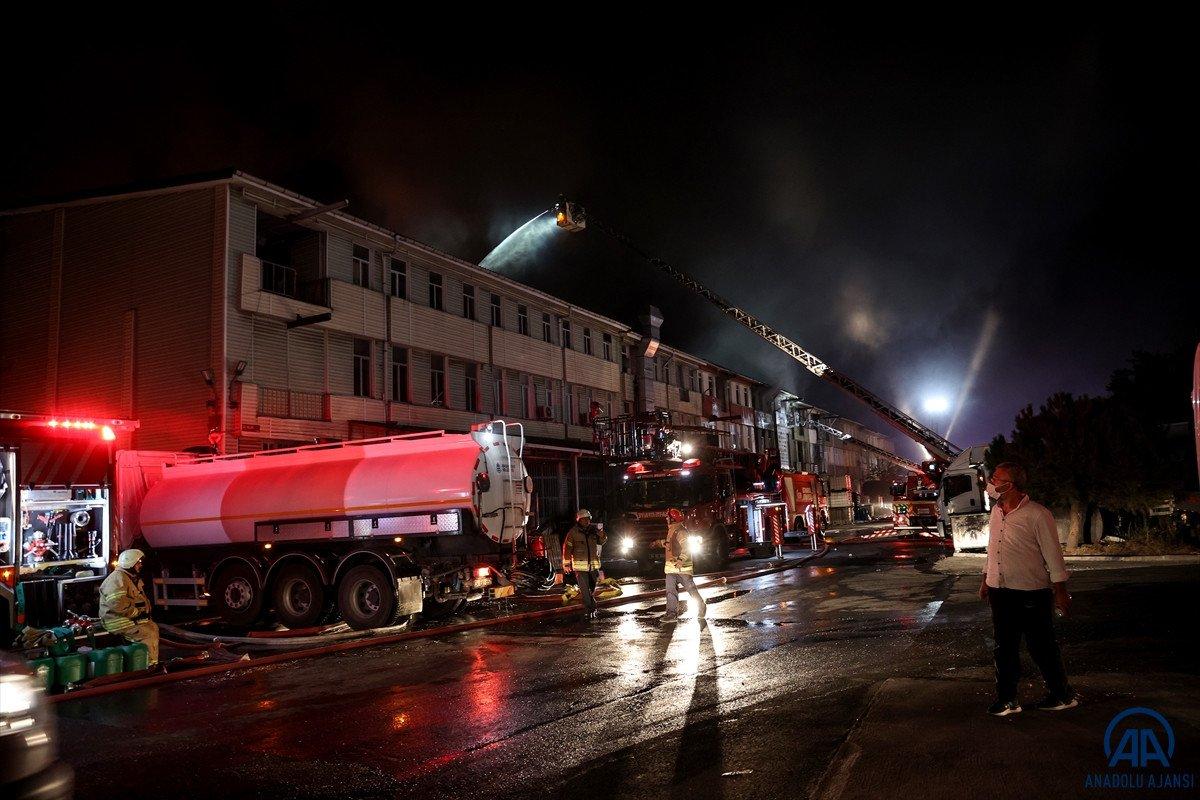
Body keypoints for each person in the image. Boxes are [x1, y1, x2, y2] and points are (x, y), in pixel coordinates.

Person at [978, 462, 1075, 716]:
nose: (990, 482)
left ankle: (1062, 695)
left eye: (996, 479)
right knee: (1004, 647)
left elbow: (1053, 556)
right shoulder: (996, 511)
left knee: (1041, 647)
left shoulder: (1038, 515)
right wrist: (986, 579)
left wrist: (1060, 592)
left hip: (1031, 592)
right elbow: (993, 548)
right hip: (1000, 591)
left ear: (1009, 486)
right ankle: (1007, 699)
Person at [99, 548, 160, 666]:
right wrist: (136, 613)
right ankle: (148, 666)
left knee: (152, 627)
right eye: (138, 562)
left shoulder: (128, 577)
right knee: (147, 633)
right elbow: (117, 603)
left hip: (128, 619)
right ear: (130, 563)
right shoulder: (117, 579)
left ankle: (147, 664)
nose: (140, 565)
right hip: (119, 622)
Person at [659, 508, 706, 622]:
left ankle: (701, 605)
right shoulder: (672, 530)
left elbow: (686, 548)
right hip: (671, 568)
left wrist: (681, 560)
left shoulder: (681, 532)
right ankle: (671, 614)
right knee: (670, 591)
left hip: (683, 569)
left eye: (668, 517)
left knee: (691, 590)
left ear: (673, 519)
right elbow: (671, 545)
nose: (666, 519)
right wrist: (661, 543)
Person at [562, 509, 606, 619]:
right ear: (579, 520)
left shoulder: (594, 531)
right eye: (584, 519)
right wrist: (566, 564)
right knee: (585, 589)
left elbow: (601, 542)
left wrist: (602, 535)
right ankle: (589, 609)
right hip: (580, 567)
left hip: (593, 566)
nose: (586, 521)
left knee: (592, 587)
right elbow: (567, 549)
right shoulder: (573, 533)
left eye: (588, 519)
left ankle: (591, 603)